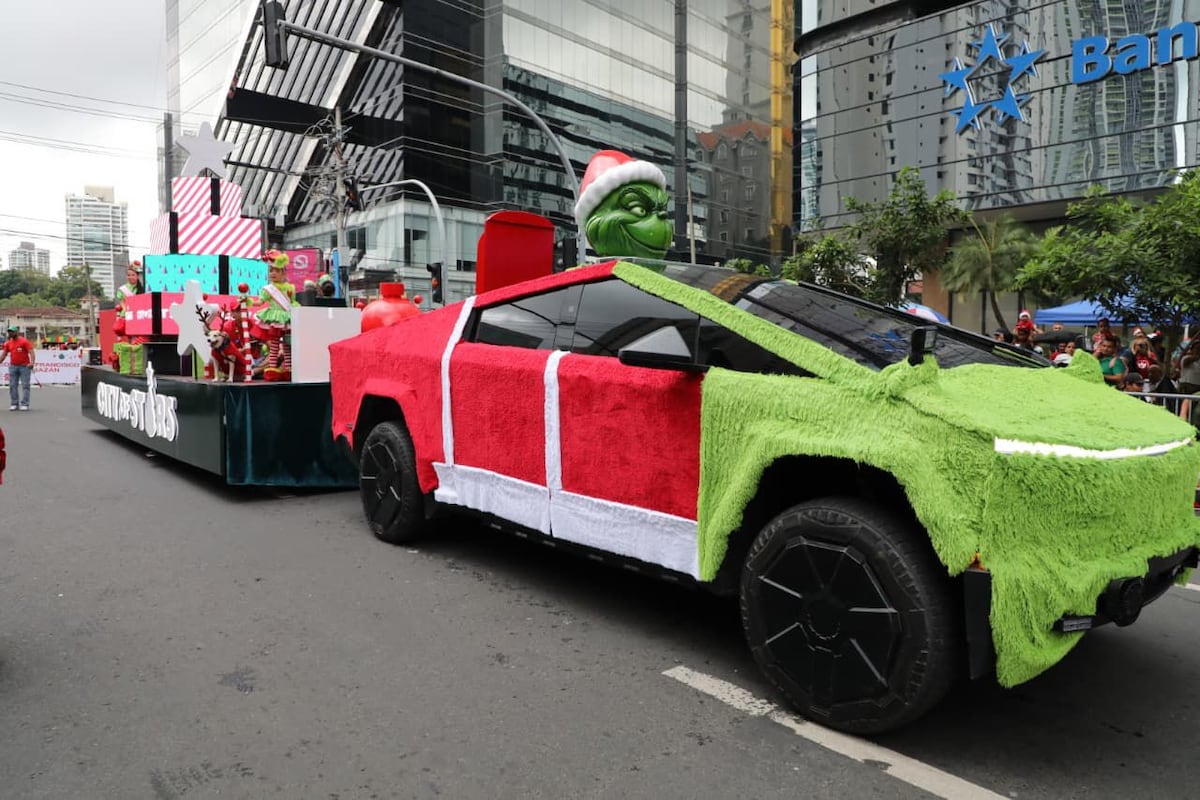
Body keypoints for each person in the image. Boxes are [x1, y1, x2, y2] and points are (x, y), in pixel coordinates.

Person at [252, 250, 299, 381]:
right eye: (271, 270)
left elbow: (293, 302)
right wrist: (249, 302)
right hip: (275, 318)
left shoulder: (290, 288)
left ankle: (288, 369)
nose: (273, 273)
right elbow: (260, 302)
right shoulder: (268, 289)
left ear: (283, 272)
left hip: (287, 318)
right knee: (274, 346)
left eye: (276, 271)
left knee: (288, 345)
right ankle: (272, 369)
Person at [1, 325, 35, 410]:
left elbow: (31, 352)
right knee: (12, 385)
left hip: (24, 366)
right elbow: (4, 354)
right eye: (9, 332)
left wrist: (32, 363)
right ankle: (14, 403)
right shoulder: (8, 343)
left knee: (25, 385)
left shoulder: (24, 341)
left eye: (12, 331)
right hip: (13, 366)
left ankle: (25, 404)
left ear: (16, 332)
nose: (10, 333)